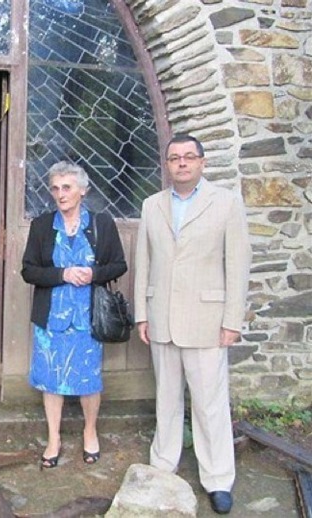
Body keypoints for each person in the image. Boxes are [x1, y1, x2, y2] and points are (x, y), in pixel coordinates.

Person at [134, 134, 252, 514]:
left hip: (207, 320)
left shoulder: (226, 204)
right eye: (174, 158)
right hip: (162, 319)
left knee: (209, 404)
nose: (181, 163)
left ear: (202, 162)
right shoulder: (152, 205)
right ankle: (163, 466)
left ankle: (218, 479)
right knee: (166, 400)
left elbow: (237, 266)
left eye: (189, 157)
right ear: (166, 165)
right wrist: (142, 313)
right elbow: (144, 264)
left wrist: (232, 320)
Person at [21, 161, 127, 469]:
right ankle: (53, 438)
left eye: (66, 187)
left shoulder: (101, 224)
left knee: (88, 380)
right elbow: (28, 270)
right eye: (55, 188)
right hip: (52, 318)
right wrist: (62, 273)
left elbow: (119, 265)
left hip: (87, 318)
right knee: (51, 380)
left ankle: (89, 431)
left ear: (83, 190)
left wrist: (93, 273)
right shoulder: (42, 226)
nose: (60, 194)